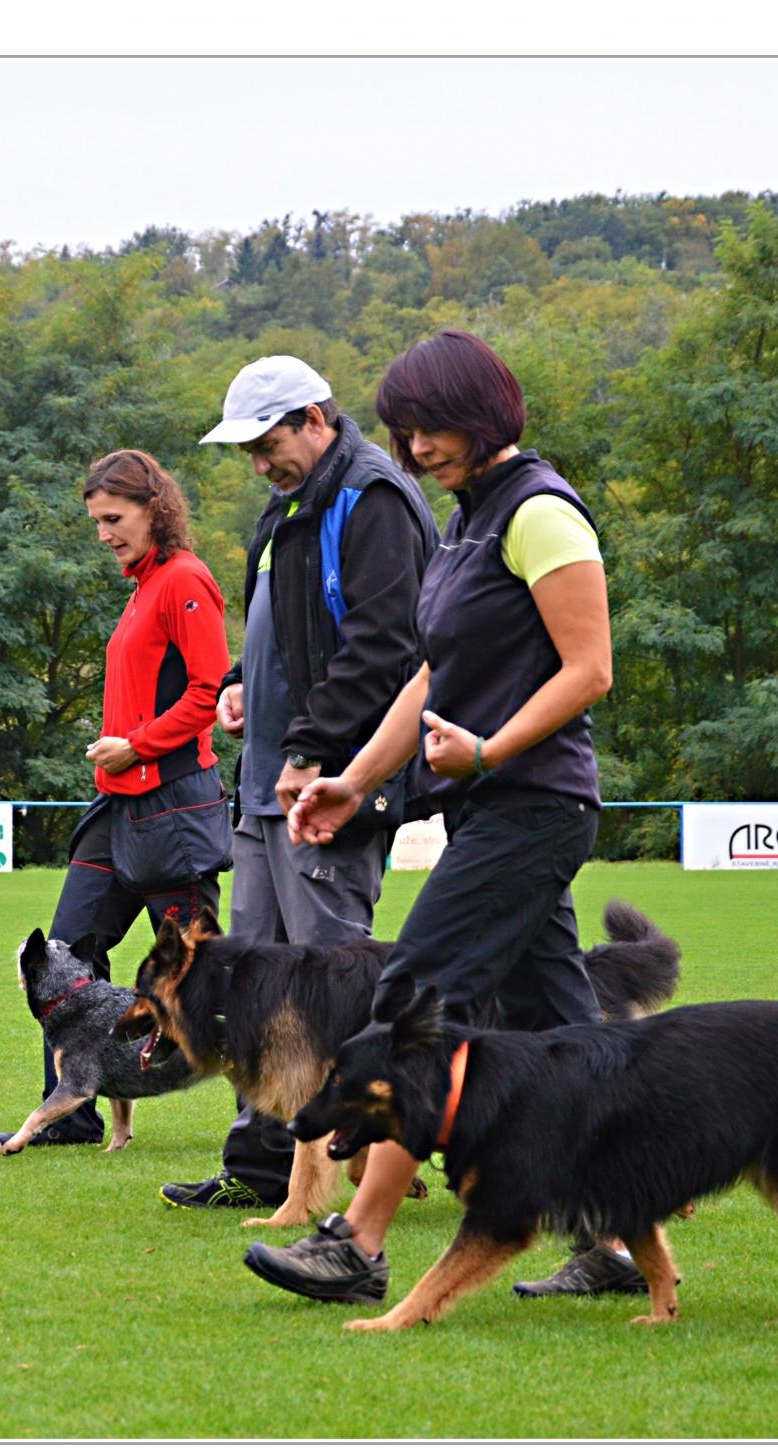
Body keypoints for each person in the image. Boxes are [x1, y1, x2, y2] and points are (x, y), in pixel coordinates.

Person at [244, 329, 644, 1304]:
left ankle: (357, 1244)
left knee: (415, 1003)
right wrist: (352, 780)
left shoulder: (541, 512)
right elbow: (431, 674)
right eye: (406, 432)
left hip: (533, 804)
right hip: (488, 806)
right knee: (565, 1034)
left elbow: (591, 668)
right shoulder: (467, 522)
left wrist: (491, 750)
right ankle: (618, 1242)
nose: (418, 448)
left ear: (484, 412)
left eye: (432, 428)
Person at [155, 355, 438, 1209]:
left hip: (329, 783)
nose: (257, 465)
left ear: (315, 418)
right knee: (243, 985)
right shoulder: (290, 504)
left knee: (332, 997)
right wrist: (243, 679)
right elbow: (288, 627)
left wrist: (311, 748)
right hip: (265, 782)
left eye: (265, 444)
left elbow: (387, 643)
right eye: (246, 451)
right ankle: (257, 1168)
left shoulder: (373, 497)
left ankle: (368, 1173)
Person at [0, 449, 232, 1150]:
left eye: (114, 518)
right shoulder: (143, 585)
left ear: (155, 509)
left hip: (173, 810)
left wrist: (139, 745)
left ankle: (269, 1125)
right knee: (66, 950)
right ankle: (72, 1113)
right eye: (97, 521)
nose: (103, 534)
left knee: (197, 975)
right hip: (117, 807)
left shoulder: (185, 580)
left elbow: (209, 693)